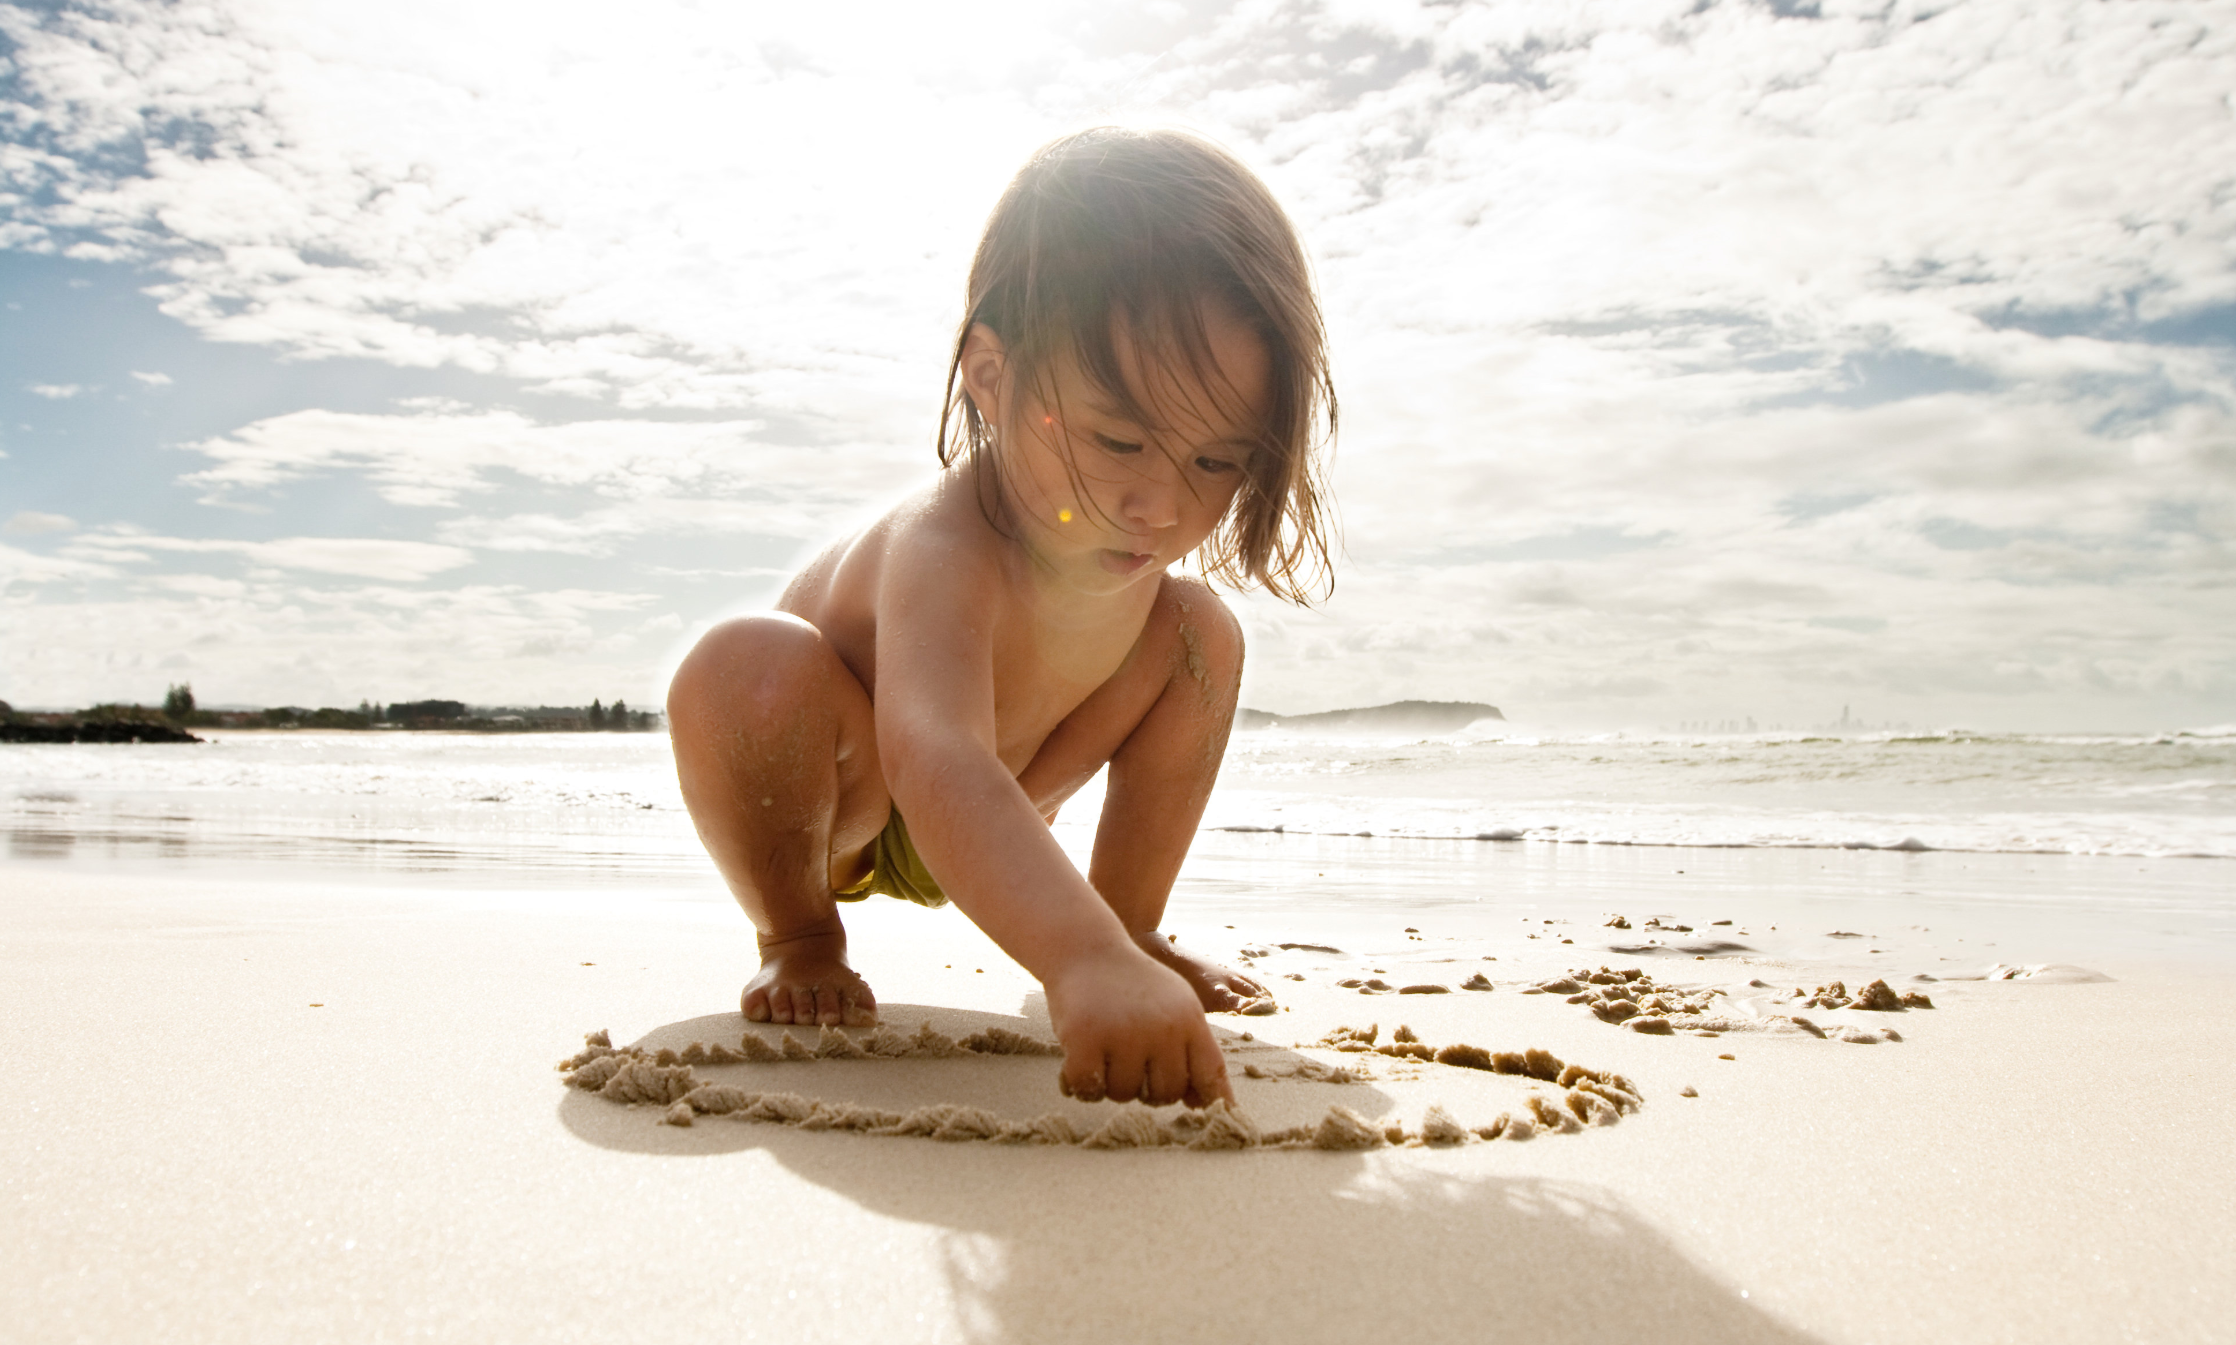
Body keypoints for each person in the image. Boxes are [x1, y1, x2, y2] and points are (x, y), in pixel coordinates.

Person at [667, 126, 1335, 1110]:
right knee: (747, 663)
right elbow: (935, 752)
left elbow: (995, 773)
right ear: (991, 378)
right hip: (843, 799)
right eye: (1117, 439)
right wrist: (1074, 965)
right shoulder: (948, 543)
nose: (1161, 505)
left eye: (1215, 462)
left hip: (1000, 809)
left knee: (1203, 634)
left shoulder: (1141, 560)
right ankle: (798, 932)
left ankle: (1127, 922)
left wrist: (1104, 950)